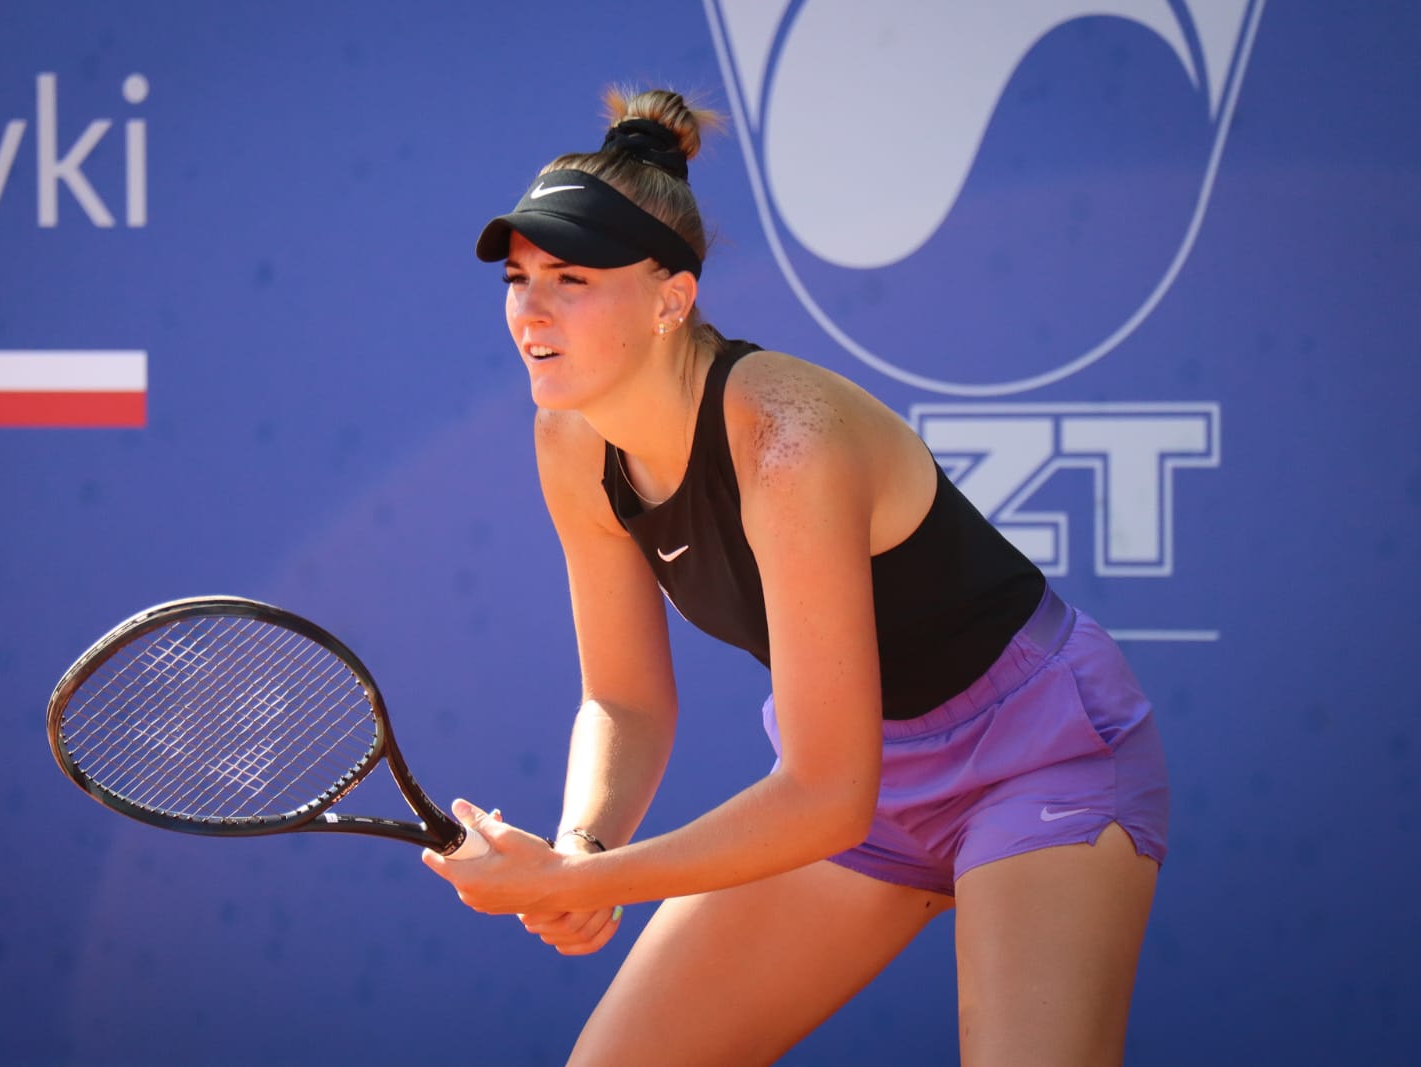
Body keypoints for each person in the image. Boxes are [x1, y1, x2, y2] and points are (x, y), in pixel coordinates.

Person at [421, 85, 1170, 1067]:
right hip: (867, 778)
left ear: (670, 298)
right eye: (519, 278)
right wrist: (582, 846)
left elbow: (824, 793)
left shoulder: (786, 437)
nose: (531, 308)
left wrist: (582, 882)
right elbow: (624, 699)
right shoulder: (569, 442)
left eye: (571, 278)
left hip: (1038, 755)